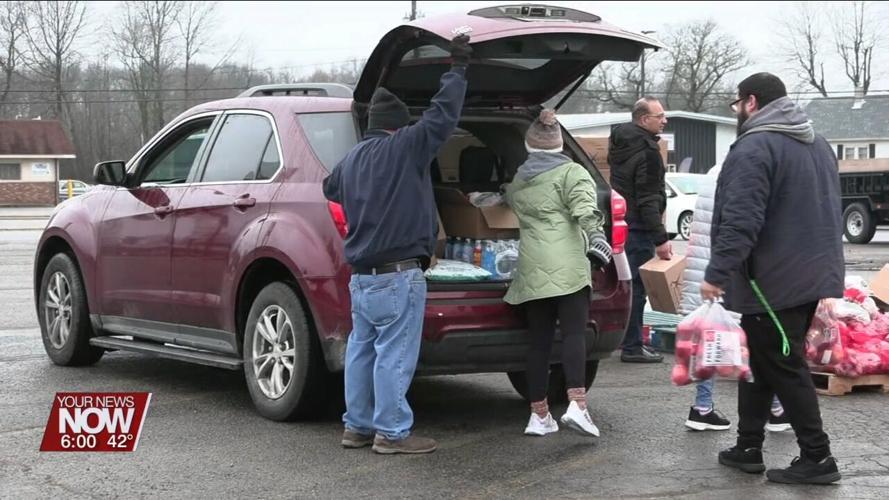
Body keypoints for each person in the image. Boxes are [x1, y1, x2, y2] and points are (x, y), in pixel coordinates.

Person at [321, 34, 472, 455]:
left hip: (363, 278)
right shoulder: (404, 147)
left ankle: (357, 427)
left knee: (363, 351)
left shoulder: (351, 161)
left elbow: (329, 188)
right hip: (398, 276)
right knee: (393, 353)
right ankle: (391, 433)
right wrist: (457, 69)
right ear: (399, 126)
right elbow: (441, 118)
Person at [702, 73, 844, 484]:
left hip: (773, 281)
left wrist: (717, 272)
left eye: (736, 105)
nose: (737, 113)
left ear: (750, 102)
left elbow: (741, 219)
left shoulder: (755, 146)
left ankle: (818, 457)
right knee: (763, 361)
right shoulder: (815, 142)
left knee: (783, 364)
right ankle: (748, 446)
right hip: (807, 272)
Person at [503, 109, 610, 438]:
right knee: (574, 335)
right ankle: (577, 406)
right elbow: (585, 211)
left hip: (532, 269)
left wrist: (485, 196)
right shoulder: (572, 173)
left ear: (529, 146)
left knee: (539, 343)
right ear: (559, 145)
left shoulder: (520, 179)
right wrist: (598, 239)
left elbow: (505, 196)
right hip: (567, 268)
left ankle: (539, 416)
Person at [680, 165, 790, 433]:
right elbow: (744, 227)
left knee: (712, 341)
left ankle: (702, 407)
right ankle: (775, 409)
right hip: (732, 270)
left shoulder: (715, 172)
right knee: (758, 339)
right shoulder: (748, 173)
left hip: (706, 268)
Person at [609, 97, 671, 363]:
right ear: (644, 120)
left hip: (622, 223)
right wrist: (661, 238)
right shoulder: (646, 152)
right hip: (640, 228)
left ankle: (626, 340)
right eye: (660, 116)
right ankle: (634, 346)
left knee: (627, 284)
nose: (664, 120)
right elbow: (648, 199)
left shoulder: (621, 145)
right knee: (638, 286)